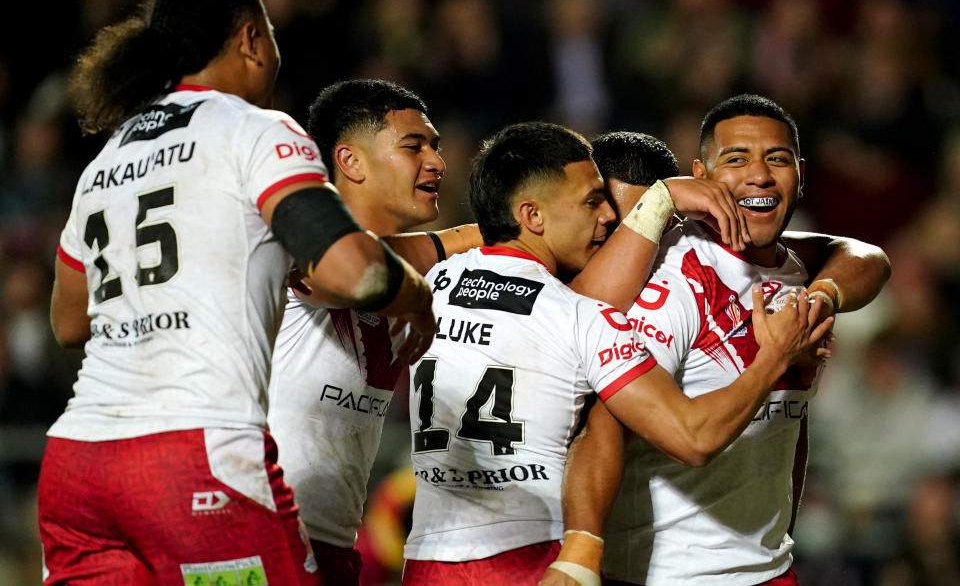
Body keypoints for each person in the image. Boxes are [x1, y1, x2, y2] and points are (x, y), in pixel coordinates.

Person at [40, 0, 434, 586]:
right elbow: (352, 270)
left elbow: (68, 320)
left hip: (78, 473)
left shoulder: (106, 159)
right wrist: (414, 299)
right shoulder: (258, 131)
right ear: (251, 39)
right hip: (194, 459)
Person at [401, 121, 832, 585]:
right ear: (533, 215)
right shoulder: (585, 317)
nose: (608, 219)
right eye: (592, 202)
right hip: (534, 560)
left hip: (428, 558)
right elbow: (691, 436)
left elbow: (350, 254)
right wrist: (773, 359)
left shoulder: (431, 283)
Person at [549, 95, 891, 586]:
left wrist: (821, 298)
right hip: (666, 575)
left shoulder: (795, 271)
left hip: (769, 570)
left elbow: (869, 258)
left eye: (777, 159)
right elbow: (605, 428)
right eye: (736, 159)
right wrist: (581, 554)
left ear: (800, 173)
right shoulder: (674, 276)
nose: (760, 175)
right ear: (701, 177)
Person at [268, 79, 474, 585]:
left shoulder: (412, 259)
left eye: (437, 146)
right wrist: (424, 285)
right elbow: (347, 270)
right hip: (262, 534)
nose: (437, 162)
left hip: (331, 543)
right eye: (414, 146)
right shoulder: (289, 242)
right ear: (351, 161)